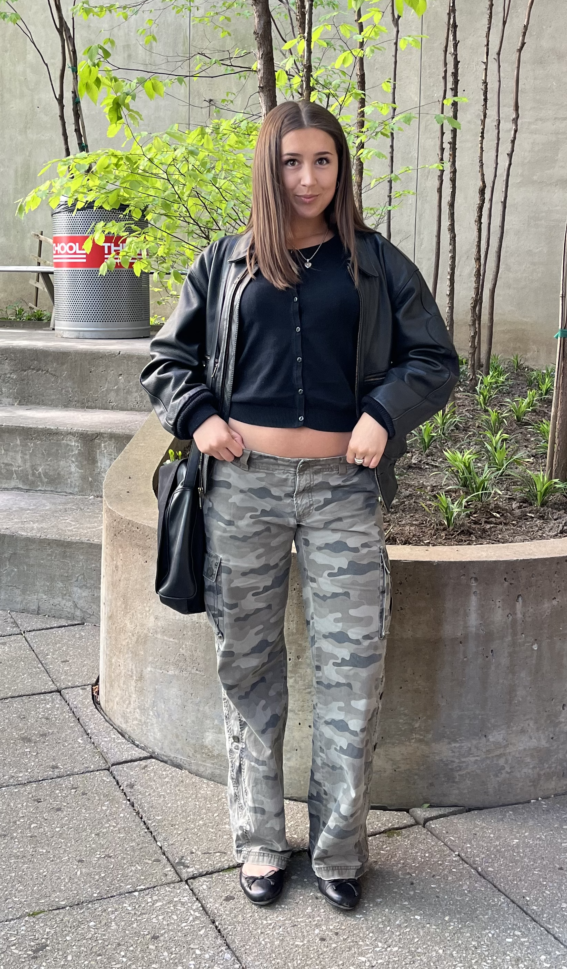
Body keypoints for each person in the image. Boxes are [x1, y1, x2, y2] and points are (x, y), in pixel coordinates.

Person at [140, 100, 459, 911]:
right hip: (241, 487)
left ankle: (339, 849)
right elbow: (168, 359)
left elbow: (433, 359)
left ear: (341, 169)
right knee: (246, 665)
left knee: (353, 670)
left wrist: (382, 415)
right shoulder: (226, 261)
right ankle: (257, 840)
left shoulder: (377, 263)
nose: (309, 178)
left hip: (341, 495)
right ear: (269, 168)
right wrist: (200, 417)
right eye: (291, 162)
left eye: (324, 161)